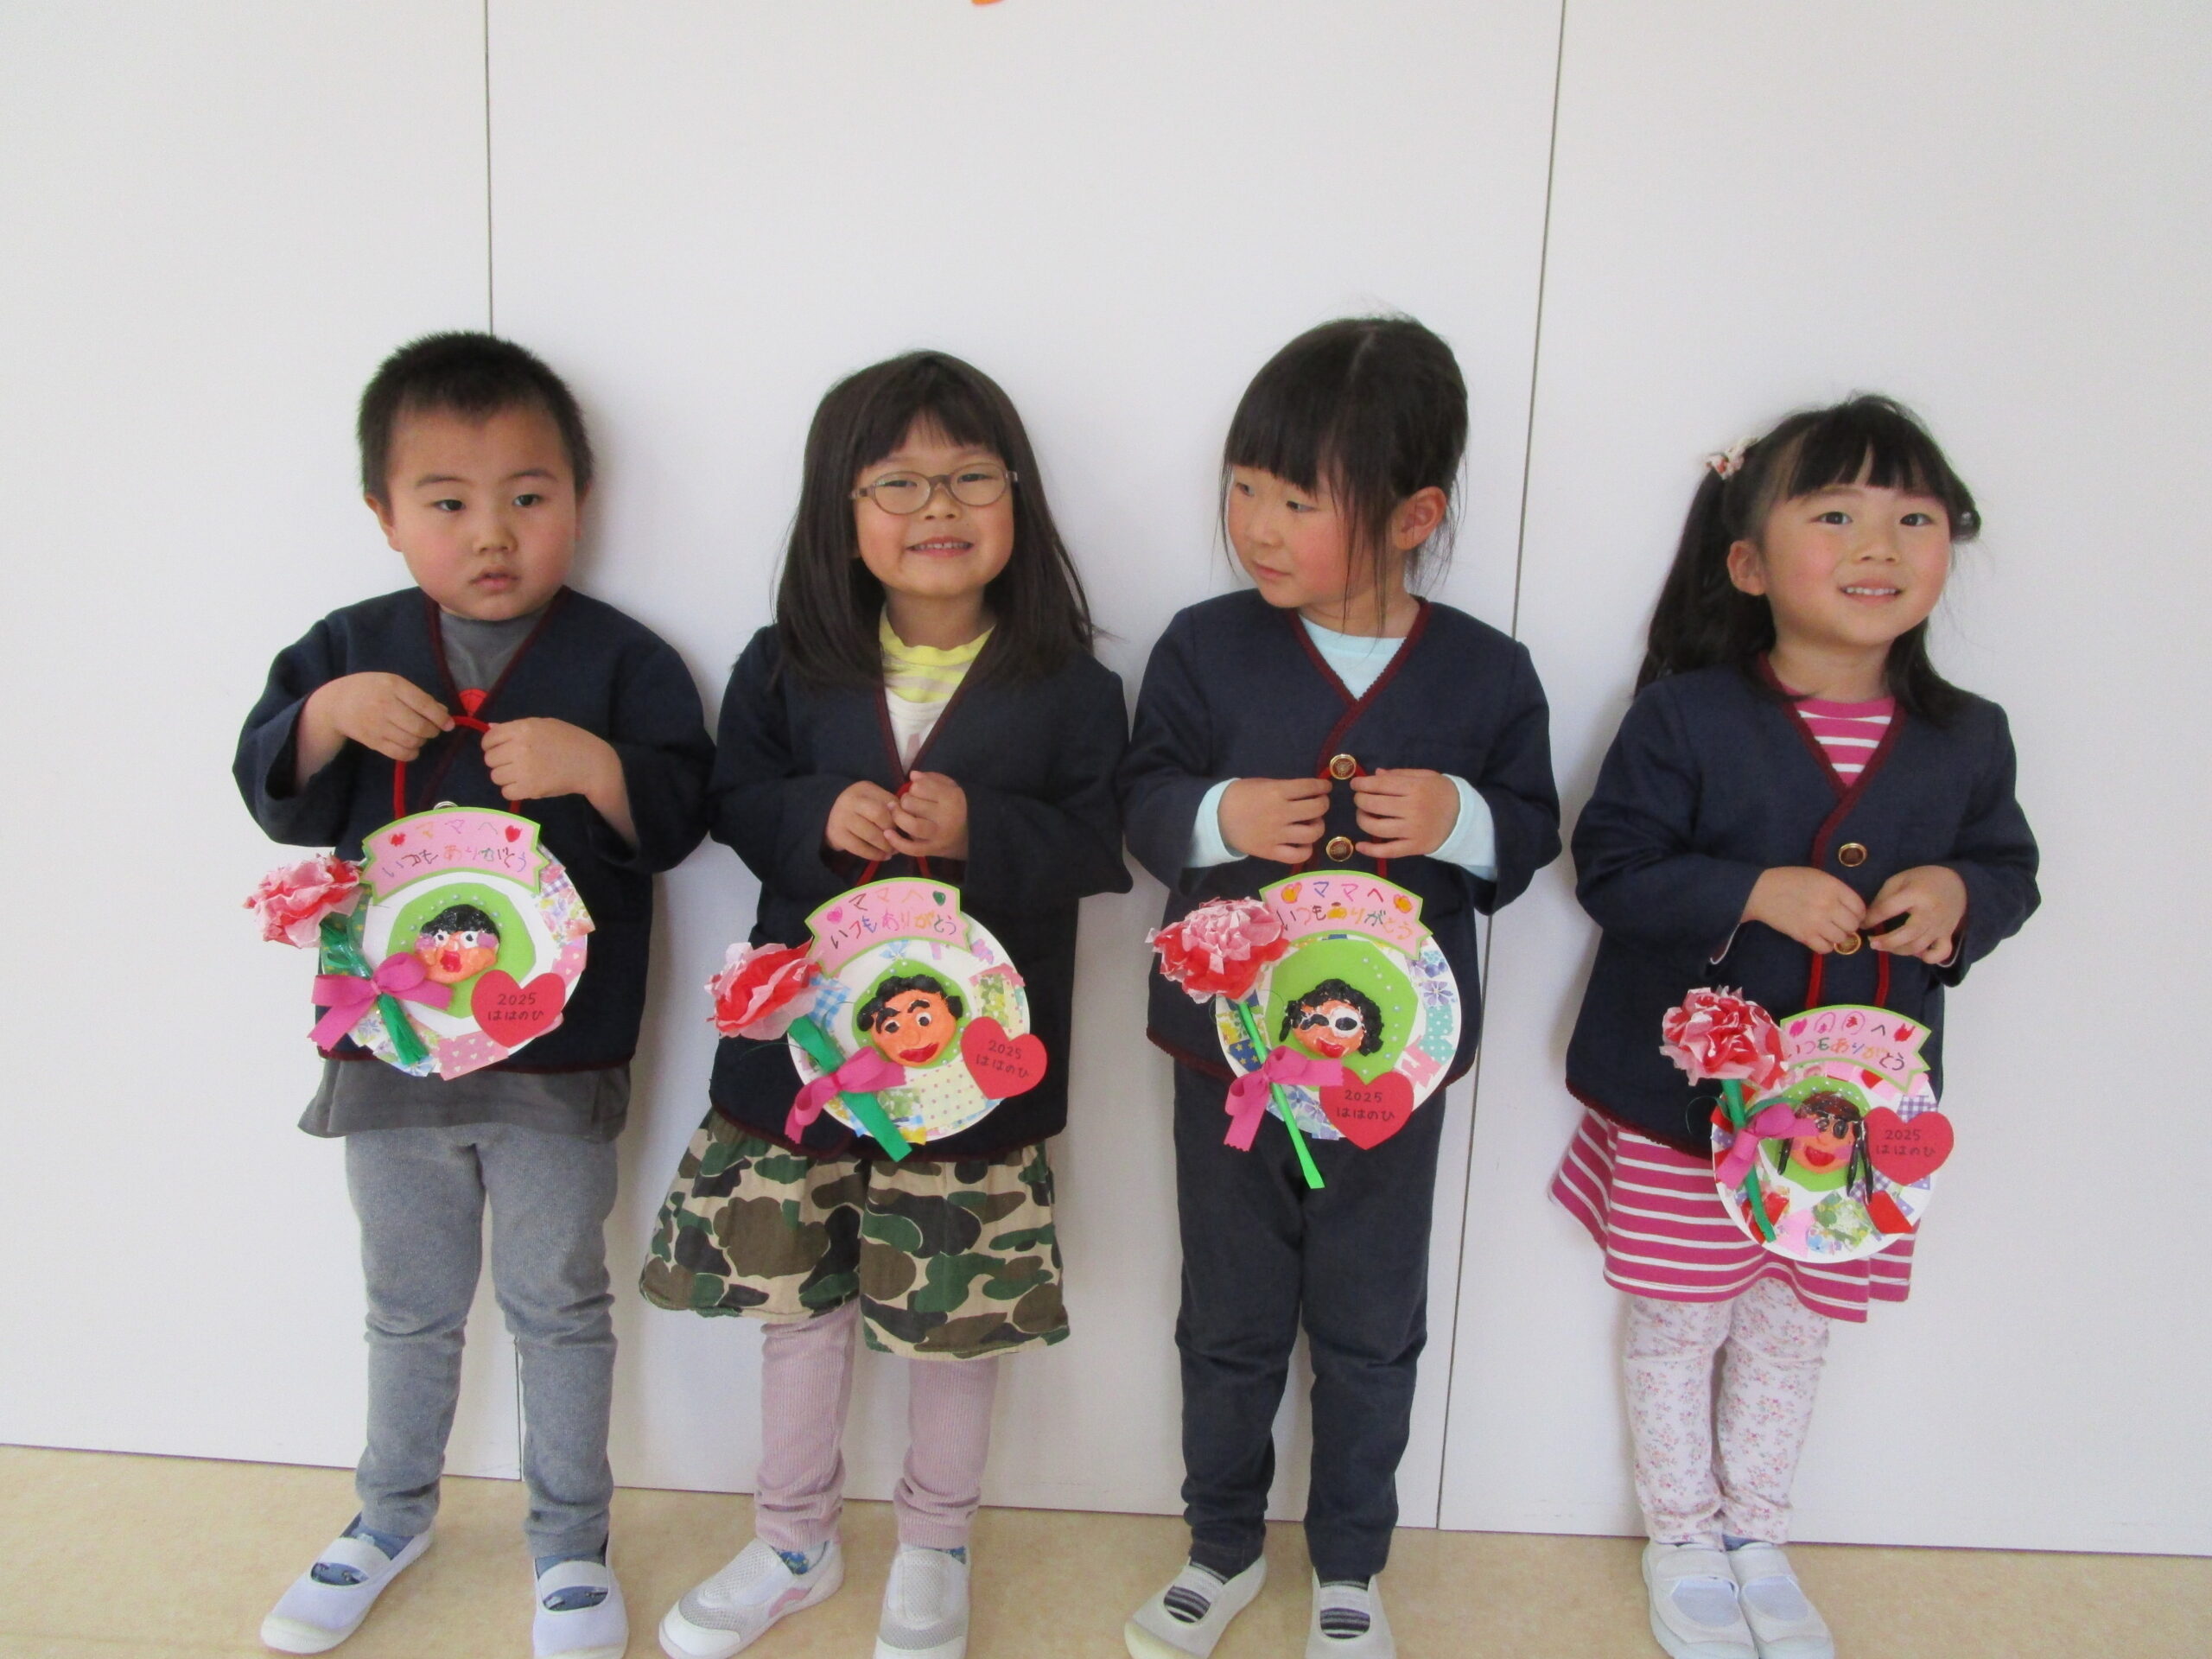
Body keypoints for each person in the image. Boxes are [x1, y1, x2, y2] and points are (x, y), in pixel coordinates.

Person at [642, 351, 1129, 1659]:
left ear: (1018, 497)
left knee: (953, 1323)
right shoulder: (785, 664)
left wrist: (981, 828)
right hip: (807, 1058)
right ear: (839, 510)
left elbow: (1100, 846)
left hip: (970, 1071)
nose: (938, 506)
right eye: (898, 482)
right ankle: (791, 1539)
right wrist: (818, 812)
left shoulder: (1072, 686)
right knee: (800, 1314)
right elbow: (732, 803)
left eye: (972, 476)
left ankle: (937, 1543)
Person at [237, 331, 714, 1659]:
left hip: (557, 1057)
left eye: (528, 495)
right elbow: (273, 791)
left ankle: (570, 1544)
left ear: (581, 500)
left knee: (558, 1304)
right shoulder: (349, 649)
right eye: (447, 500)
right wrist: (325, 720)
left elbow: (682, 817)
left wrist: (597, 768)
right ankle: (387, 1517)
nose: (491, 532)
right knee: (407, 1302)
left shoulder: (623, 661)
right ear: (385, 515)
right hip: (388, 1048)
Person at [1550, 397, 2039, 1659]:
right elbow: (1612, 867)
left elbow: (2010, 870)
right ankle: (1681, 1537)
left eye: (1913, 520)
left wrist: (1962, 897)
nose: (1879, 546)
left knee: (1791, 1327)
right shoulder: (1685, 715)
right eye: (1835, 515)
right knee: (1680, 1320)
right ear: (1749, 563)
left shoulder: (1967, 735)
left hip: (1851, 1126)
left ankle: (1758, 1533)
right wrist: (1751, 889)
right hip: (1683, 1106)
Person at [1119, 318, 1560, 1659]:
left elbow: (1535, 833)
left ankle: (1353, 1561)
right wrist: (1223, 815)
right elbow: (1141, 802)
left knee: (1373, 1318)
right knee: (1228, 1310)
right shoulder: (1204, 647)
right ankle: (1220, 1543)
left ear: (1414, 516)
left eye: (1299, 500)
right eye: (1244, 487)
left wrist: (1460, 818)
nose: (1256, 525)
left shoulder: (1486, 671)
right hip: (1229, 1059)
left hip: (1391, 1069)